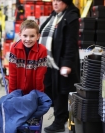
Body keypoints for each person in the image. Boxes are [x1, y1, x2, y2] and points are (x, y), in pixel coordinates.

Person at [38, 0, 80, 132]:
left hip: (62, 62)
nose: (55, 3)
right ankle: (60, 117)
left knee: (60, 92)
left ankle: (59, 121)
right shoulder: (55, 16)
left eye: (59, 0)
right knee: (49, 89)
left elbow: (70, 43)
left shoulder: (70, 17)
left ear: (66, 2)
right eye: (54, 0)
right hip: (50, 61)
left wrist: (67, 64)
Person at [9, 19, 47, 95]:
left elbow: (39, 77)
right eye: (25, 36)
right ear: (20, 35)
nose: (28, 39)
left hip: (34, 93)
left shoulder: (42, 50)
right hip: (17, 92)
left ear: (38, 36)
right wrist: (11, 94)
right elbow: (12, 74)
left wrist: (39, 96)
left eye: (32, 36)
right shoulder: (14, 48)